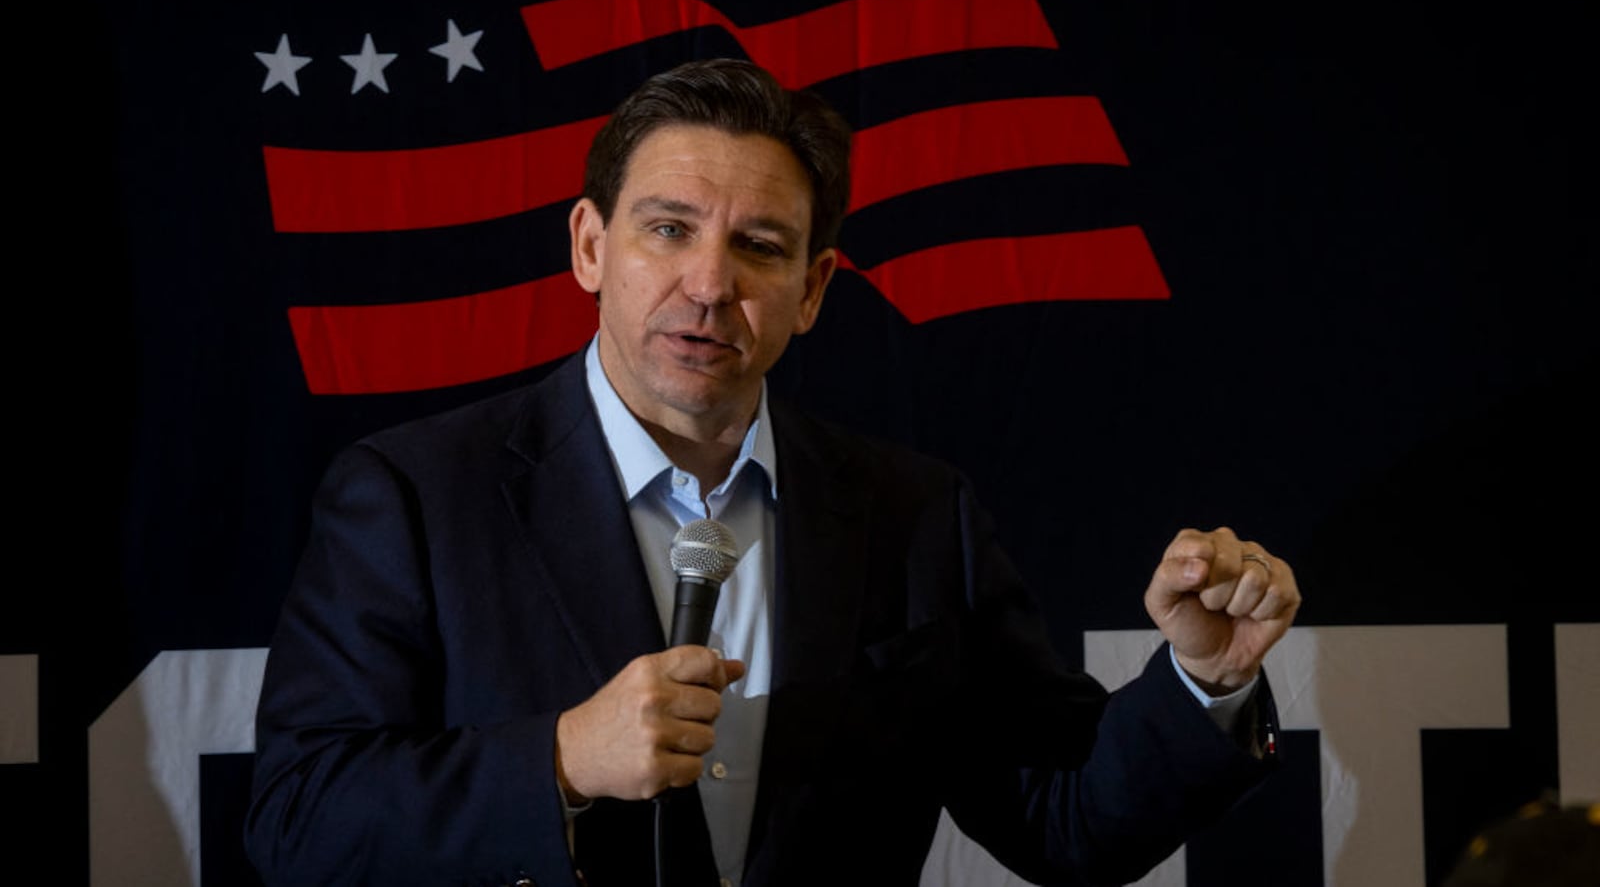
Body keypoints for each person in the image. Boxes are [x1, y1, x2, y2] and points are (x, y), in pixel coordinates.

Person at [245, 58, 1302, 887]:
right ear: (589, 247)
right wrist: (562, 758)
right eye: (669, 230)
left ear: (812, 289)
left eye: (758, 246)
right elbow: (298, 824)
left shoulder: (913, 515)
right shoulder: (416, 494)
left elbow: (1064, 822)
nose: (709, 284)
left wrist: (1205, 681)